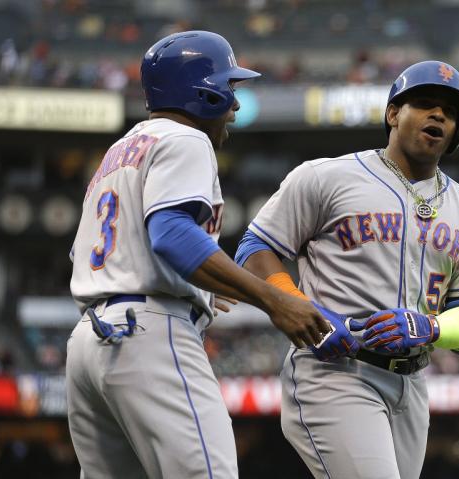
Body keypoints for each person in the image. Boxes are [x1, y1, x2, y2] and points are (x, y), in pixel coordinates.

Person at [66, 31, 334, 479]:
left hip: (89, 344)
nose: (235, 105)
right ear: (203, 93)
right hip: (148, 334)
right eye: (229, 89)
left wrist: (200, 282)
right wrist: (272, 299)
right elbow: (171, 234)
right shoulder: (186, 139)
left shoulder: (120, 151)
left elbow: (99, 248)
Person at [235, 60, 459, 478]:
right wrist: (301, 307)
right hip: (336, 371)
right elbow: (254, 247)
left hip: (412, 383)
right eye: (425, 104)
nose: (439, 116)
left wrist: (431, 329)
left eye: (450, 112)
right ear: (393, 113)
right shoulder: (327, 177)